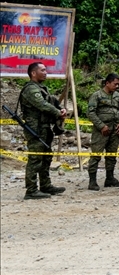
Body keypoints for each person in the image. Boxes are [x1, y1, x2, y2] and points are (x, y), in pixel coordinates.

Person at [17, 62, 68, 200]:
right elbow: (42, 105)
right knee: (35, 159)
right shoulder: (30, 89)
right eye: (43, 70)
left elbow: (50, 102)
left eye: (46, 70)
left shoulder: (41, 88)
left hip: (44, 128)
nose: (46, 72)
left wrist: (60, 109)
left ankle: (45, 185)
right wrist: (58, 113)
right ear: (33, 73)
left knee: (46, 158)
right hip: (35, 129)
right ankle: (31, 190)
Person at [87, 73, 119, 190]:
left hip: (115, 130)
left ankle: (110, 178)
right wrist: (101, 126)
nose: (117, 86)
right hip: (101, 131)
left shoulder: (117, 96)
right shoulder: (97, 96)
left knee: (111, 155)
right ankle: (92, 182)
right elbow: (90, 113)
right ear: (107, 83)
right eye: (115, 84)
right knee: (96, 155)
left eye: (118, 84)